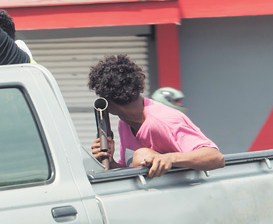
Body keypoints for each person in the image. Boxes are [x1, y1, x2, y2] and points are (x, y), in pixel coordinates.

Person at [88, 54, 224, 177]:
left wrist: (170, 158)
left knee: (142, 154)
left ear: (108, 101)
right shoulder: (124, 123)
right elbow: (131, 172)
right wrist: (110, 162)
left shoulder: (163, 121)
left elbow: (215, 158)